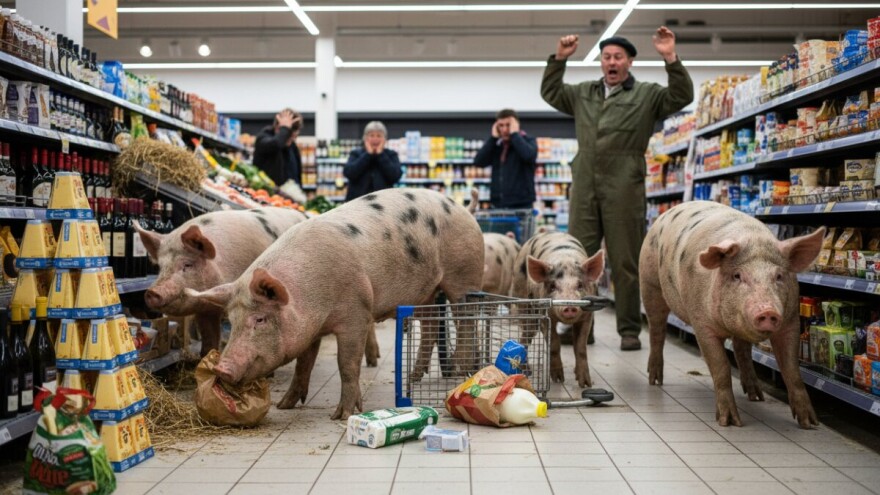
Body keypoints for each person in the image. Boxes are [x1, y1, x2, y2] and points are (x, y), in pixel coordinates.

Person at [541, 27, 694, 351]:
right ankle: (581, 324)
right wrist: (559, 59)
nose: (611, 62)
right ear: (601, 62)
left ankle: (628, 329)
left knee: (625, 262)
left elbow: (681, 96)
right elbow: (551, 92)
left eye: (618, 57)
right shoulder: (583, 92)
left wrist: (670, 56)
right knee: (577, 260)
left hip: (625, 181)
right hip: (584, 183)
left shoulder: (647, 94)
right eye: (606, 57)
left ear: (629, 62)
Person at [473, 109, 538, 209]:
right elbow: (478, 161)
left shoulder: (528, 141)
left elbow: (528, 156)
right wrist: (493, 138)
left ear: (516, 125)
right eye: (501, 125)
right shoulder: (497, 145)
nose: (504, 129)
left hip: (522, 206)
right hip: (497, 205)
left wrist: (514, 134)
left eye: (508, 125)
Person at [344, 121, 402, 201]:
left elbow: (395, 176)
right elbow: (349, 173)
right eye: (371, 135)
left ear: (385, 139)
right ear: (365, 138)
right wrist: (368, 155)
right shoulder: (356, 153)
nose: (375, 139)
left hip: (384, 203)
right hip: (356, 203)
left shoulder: (391, 155)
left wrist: (380, 155)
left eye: (379, 136)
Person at [253, 108, 303, 188]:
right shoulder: (264, 138)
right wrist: (285, 128)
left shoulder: (293, 147)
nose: (292, 140)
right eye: (289, 136)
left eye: (294, 136)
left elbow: (297, 176)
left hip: (287, 198)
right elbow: (275, 145)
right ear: (278, 128)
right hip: (265, 195)